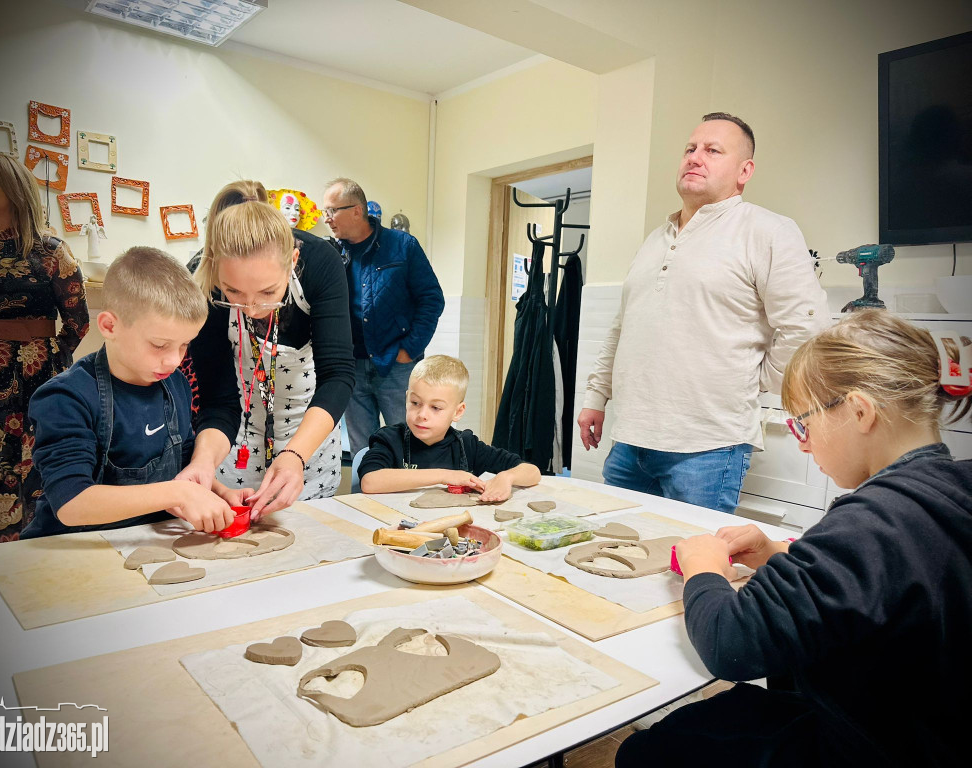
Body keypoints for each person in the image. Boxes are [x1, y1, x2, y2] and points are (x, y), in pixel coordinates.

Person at [616, 310, 972, 766]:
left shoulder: (870, 522)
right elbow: (897, 573)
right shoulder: (942, 496)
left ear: (860, 411)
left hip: (867, 744)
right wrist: (777, 554)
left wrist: (704, 569)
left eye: (802, 423)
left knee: (646, 751)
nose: (803, 444)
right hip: (925, 728)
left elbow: (731, 647)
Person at [577, 112, 828, 513]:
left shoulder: (768, 231)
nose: (695, 157)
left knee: (690, 564)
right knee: (612, 557)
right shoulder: (655, 240)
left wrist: (754, 379)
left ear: (744, 171)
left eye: (713, 150)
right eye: (690, 149)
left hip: (707, 448)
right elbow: (623, 327)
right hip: (629, 439)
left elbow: (808, 328)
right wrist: (596, 395)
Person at [21, 247, 239, 538]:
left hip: (145, 541)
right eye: (160, 345)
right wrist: (179, 494)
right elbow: (72, 503)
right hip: (72, 550)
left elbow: (184, 466)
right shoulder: (65, 398)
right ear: (110, 326)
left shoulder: (175, 383)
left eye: (184, 344)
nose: (175, 360)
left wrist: (218, 493)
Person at [178, 181, 354, 517]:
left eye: (267, 291)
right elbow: (218, 398)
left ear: (293, 260)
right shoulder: (201, 278)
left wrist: (294, 456)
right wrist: (202, 462)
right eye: (233, 292)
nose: (253, 308)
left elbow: (338, 375)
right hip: (233, 439)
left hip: (308, 435)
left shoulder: (321, 263)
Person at [0, 152, 89, 550]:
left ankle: (25, 548)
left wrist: (46, 358)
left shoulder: (49, 251)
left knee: (24, 458)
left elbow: (77, 320)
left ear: (13, 188)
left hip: (29, 374)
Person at [322, 177, 444, 459]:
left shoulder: (402, 246)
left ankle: (410, 502)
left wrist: (409, 350)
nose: (327, 219)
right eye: (324, 212)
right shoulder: (331, 253)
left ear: (356, 210)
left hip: (396, 365)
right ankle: (364, 500)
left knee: (409, 447)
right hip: (350, 367)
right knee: (363, 451)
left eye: (332, 211)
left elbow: (432, 299)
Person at [358, 355, 540, 501]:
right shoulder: (390, 439)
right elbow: (370, 481)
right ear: (406, 398)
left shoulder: (467, 445)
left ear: (458, 411)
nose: (422, 414)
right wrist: (445, 476)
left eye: (435, 407)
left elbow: (532, 472)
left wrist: (506, 478)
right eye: (415, 403)